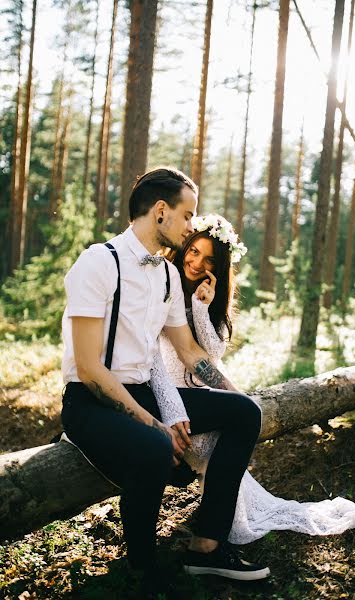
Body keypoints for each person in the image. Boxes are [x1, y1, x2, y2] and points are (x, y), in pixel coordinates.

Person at [60, 167, 269, 597]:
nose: (191, 226)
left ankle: (206, 547)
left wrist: (231, 393)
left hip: (143, 392)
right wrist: (154, 424)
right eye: (187, 214)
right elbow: (88, 368)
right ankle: (142, 566)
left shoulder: (168, 276)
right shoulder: (98, 263)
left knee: (245, 413)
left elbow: (190, 353)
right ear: (161, 212)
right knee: (157, 446)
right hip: (89, 401)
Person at [150, 214, 355, 544]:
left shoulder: (207, 301)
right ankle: (209, 536)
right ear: (184, 247)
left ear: (219, 268)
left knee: (231, 427)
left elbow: (211, 352)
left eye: (209, 259)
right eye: (194, 251)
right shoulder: (162, 287)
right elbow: (180, 357)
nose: (197, 262)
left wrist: (201, 307)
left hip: (197, 396)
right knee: (224, 432)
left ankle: (209, 530)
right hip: (164, 394)